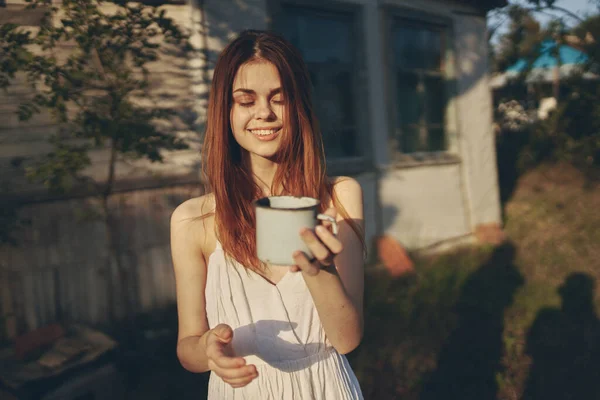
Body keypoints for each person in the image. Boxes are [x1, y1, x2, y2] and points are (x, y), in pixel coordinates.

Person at [170, 29, 365, 399]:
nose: (265, 113)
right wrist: (208, 350)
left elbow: (347, 339)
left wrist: (319, 272)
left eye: (280, 98)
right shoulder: (190, 220)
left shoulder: (339, 197)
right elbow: (188, 347)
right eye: (246, 100)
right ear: (225, 111)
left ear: (300, 106)